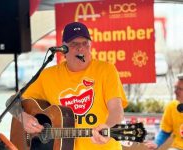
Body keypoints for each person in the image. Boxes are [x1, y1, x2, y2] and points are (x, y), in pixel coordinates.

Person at [9, 22, 128, 150]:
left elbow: (116, 109)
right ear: (63, 50)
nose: (80, 48)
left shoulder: (106, 70)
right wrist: (24, 117)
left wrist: (108, 127)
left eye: (85, 44)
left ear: (90, 46)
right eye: (74, 45)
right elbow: (11, 101)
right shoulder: (48, 75)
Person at [145, 73, 183, 150]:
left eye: (180, 89)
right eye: (175, 88)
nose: (175, 91)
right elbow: (165, 131)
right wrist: (156, 143)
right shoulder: (172, 106)